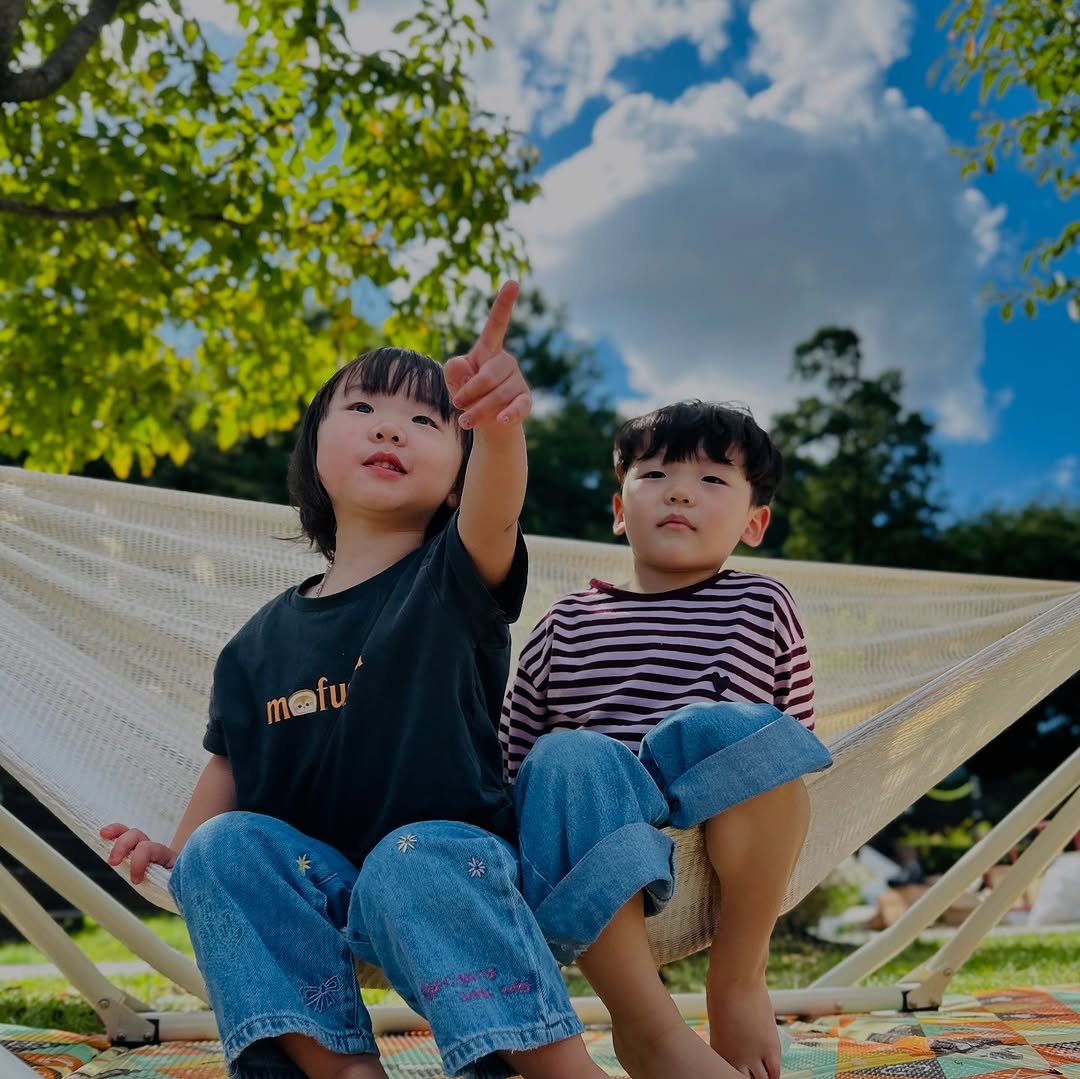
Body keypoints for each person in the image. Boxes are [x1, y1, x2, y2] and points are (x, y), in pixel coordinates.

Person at [102, 283, 609, 1079]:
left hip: (450, 876)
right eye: (365, 407)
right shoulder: (252, 645)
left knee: (411, 856)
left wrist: (499, 429)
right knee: (222, 849)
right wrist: (180, 854)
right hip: (321, 890)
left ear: (454, 480)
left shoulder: (454, 576)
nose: (390, 426)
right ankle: (339, 1068)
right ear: (312, 453)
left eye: (427, 420)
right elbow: (230, 768)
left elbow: (496, 510)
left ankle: (557, 1069)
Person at [500, 399, 833, 1079]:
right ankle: (646, 1025)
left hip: (715, 841)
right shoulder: (564, 622)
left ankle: (738, 980)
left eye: (713, 480)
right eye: (654, 474)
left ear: (754, 521)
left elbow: (789, 745)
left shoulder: (762, 603)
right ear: (620, 510)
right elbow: (513, 763)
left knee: (734, 729)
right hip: (598, 841)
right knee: (567, 755)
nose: (680, 490)